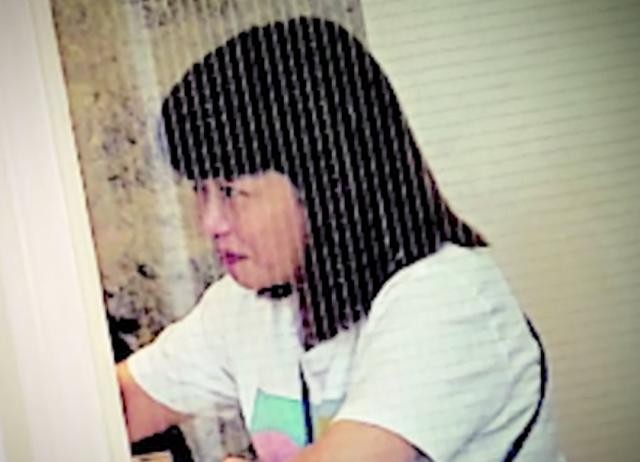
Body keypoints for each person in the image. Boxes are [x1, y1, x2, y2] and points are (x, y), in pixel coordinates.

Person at [117, 17, 565, 462]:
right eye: (201, 191)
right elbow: (118, 405)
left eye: (232, 192)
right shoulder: (245, 305)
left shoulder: (447, 295)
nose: (210, 223)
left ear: (325, 184)